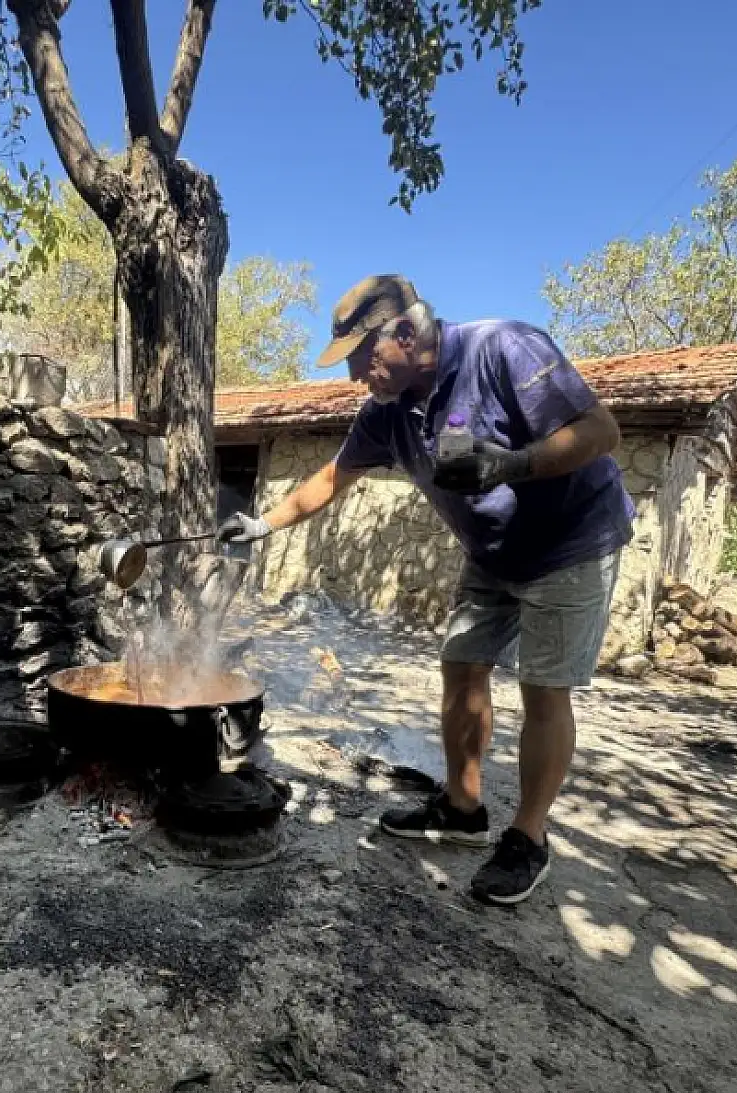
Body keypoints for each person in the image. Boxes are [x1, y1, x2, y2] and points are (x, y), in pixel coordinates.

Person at [217, 275, 633, 906]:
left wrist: (509, 464)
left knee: (543, 691)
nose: (356, 375)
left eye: (363, 357)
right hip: (492, 553)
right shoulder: (387, 412)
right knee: (461, 668)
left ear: (405, 333)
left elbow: (601, 432)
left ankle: (529, 838)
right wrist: (264, 524)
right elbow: (336, 475)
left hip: (571, 542)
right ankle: (463, 810)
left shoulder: (503, 348)